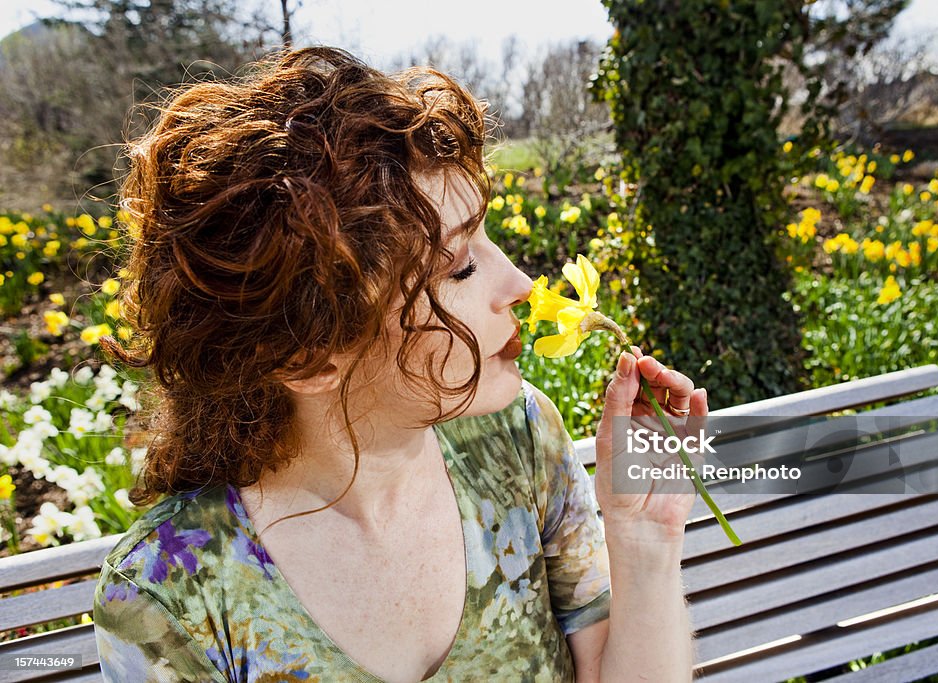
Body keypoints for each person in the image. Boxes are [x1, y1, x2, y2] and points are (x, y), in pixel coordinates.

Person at [93, 46, 704, 682]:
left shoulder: (517, 442)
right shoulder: (171, 596)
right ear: (308, 355)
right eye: (459, 265)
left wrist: (647, 545)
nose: (520, 283)